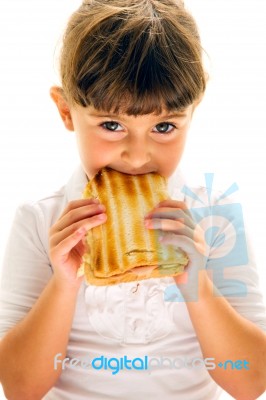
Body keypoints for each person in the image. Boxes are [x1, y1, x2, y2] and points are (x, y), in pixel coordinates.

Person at [0, 0, 265, 399]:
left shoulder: (214, 217)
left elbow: (251, 382)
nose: (137, 156)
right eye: (111, 125)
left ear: (193, 114)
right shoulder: (40, 221)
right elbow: (20, 388)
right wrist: (64, 284)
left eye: (164, 126)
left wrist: (196, 281)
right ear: (66, 111)